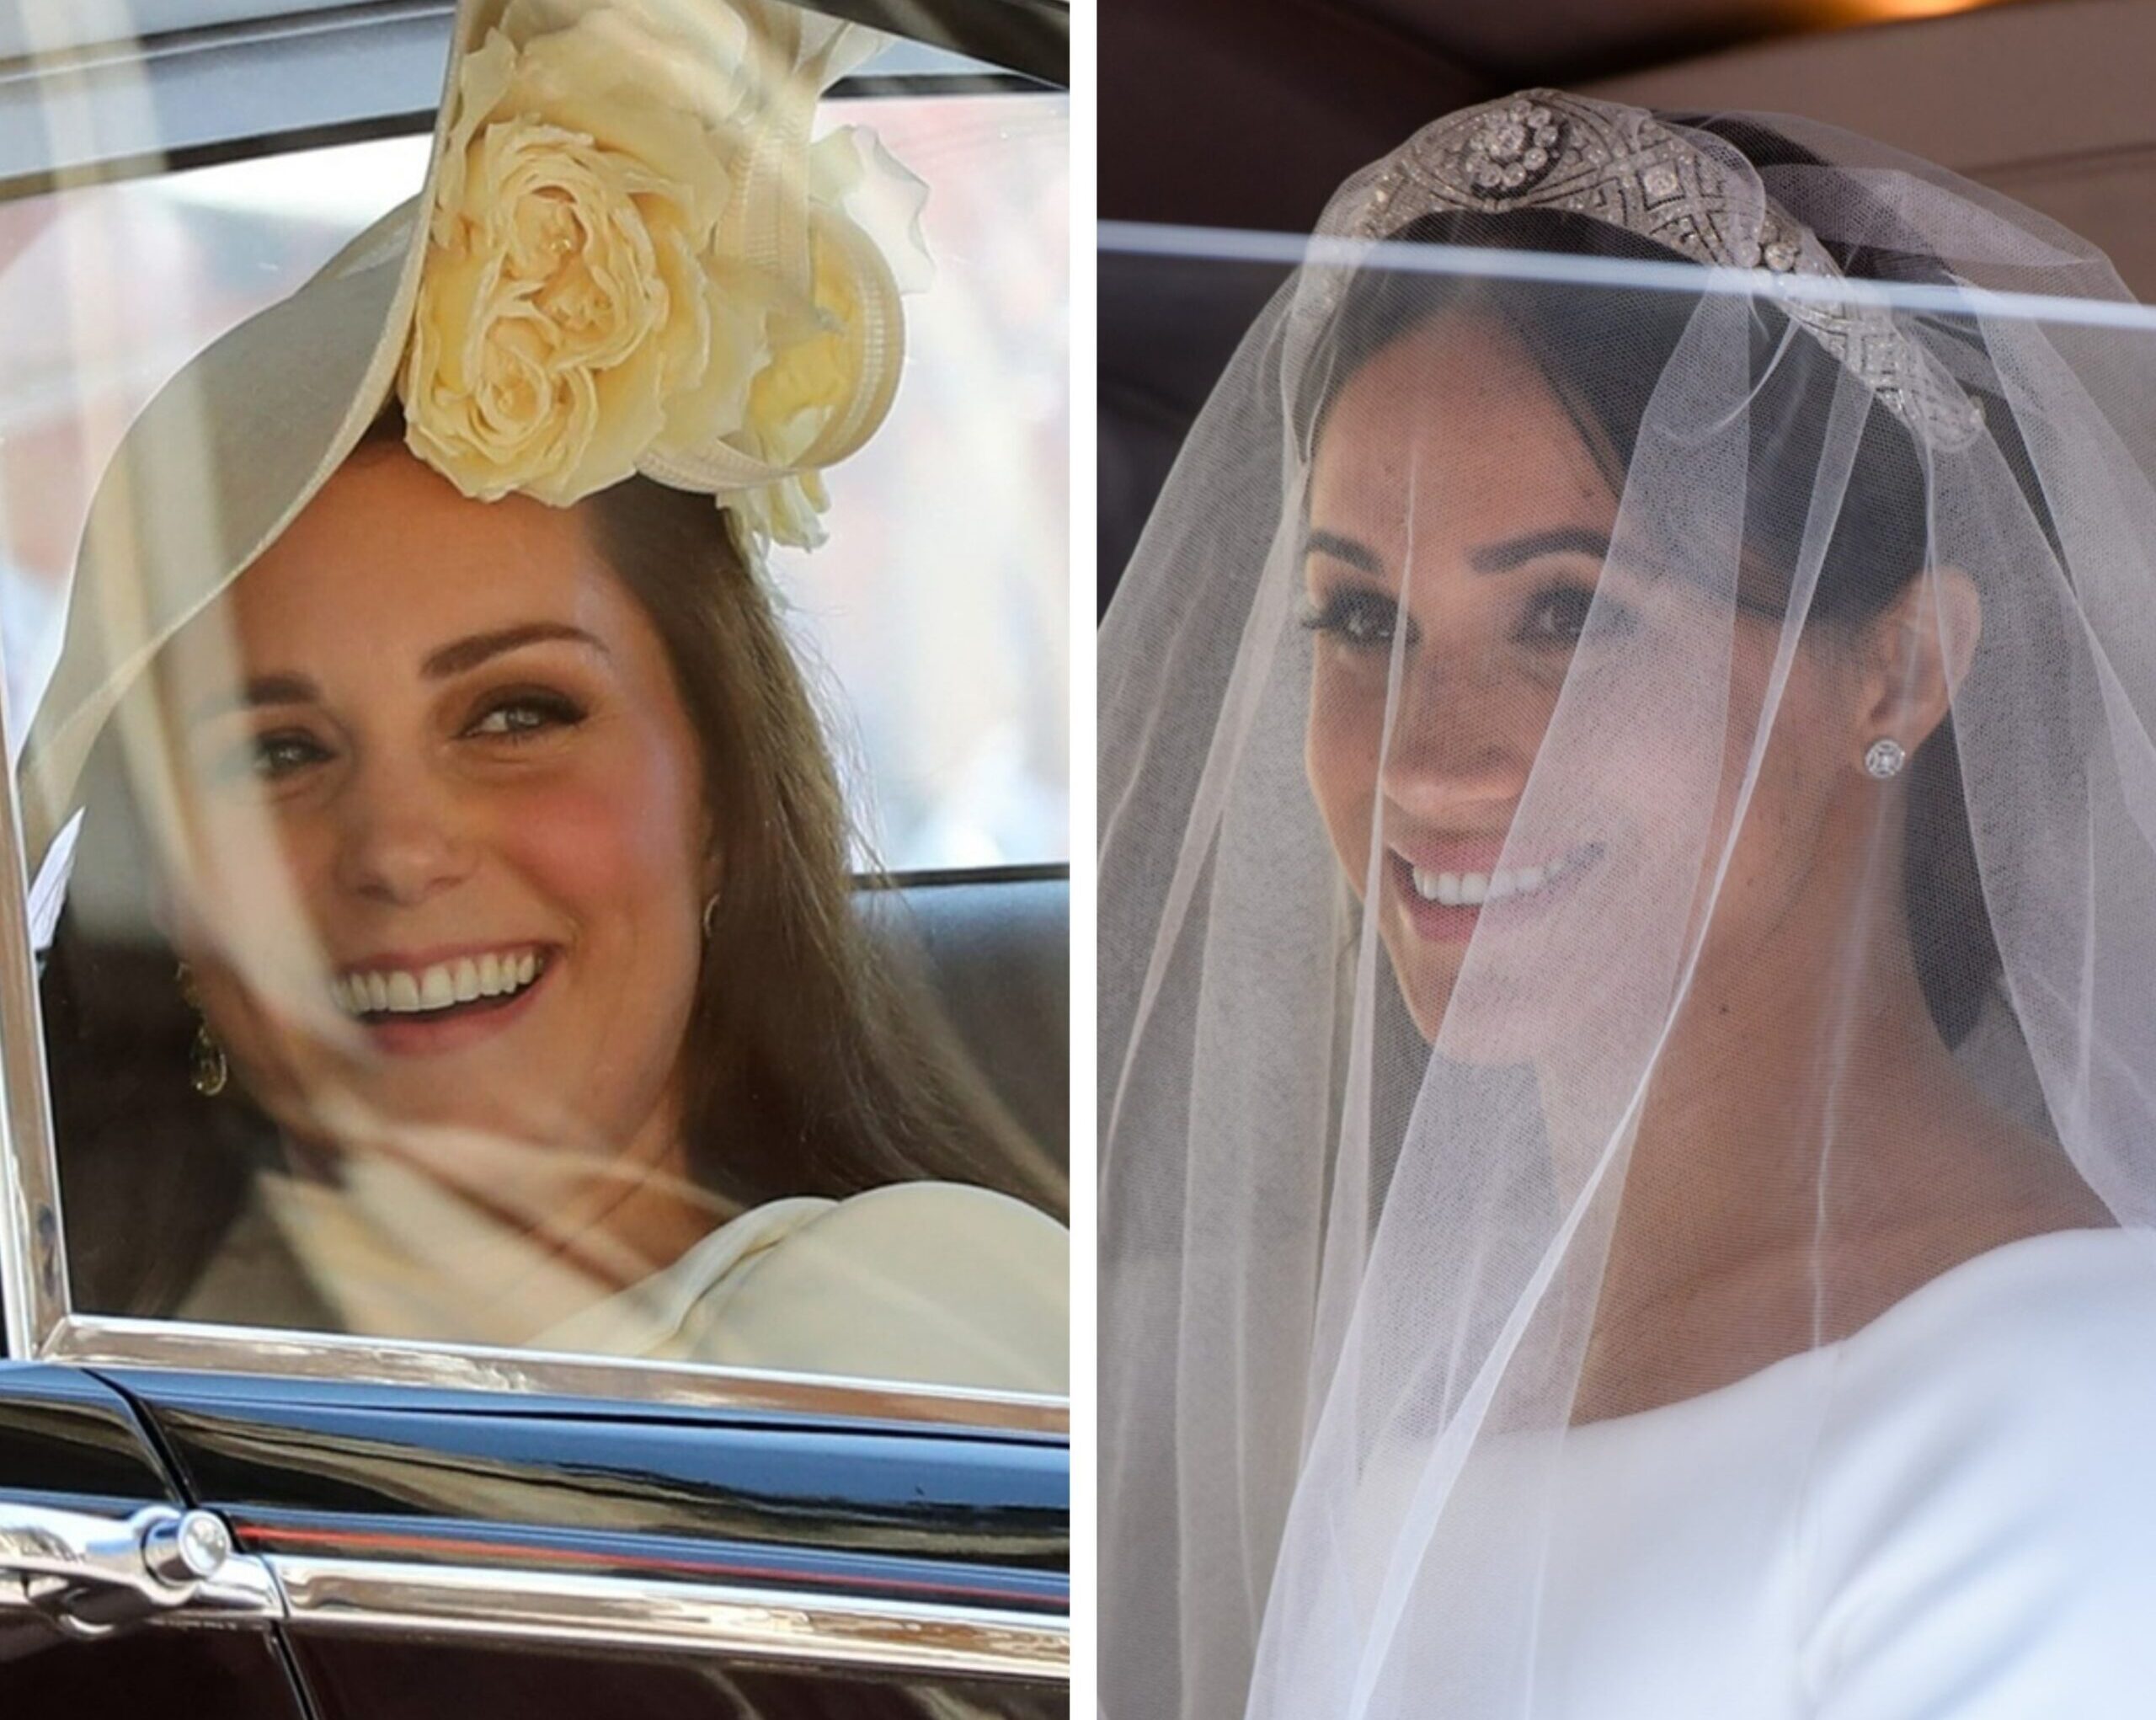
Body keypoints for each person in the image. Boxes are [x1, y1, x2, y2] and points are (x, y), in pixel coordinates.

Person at [1100, 89, 2156, 1715]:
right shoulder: (1457, 1369)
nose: (1425, 764)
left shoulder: (2069, 1409)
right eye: (1362, 619)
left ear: (1899, 666)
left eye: (1571, 616)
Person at [21, 0, 1066, 1396]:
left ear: (720, 807)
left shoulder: (917, 1331)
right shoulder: (92, 1379)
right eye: (275, 749)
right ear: (173, 910)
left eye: (516, 714)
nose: (399, 846)